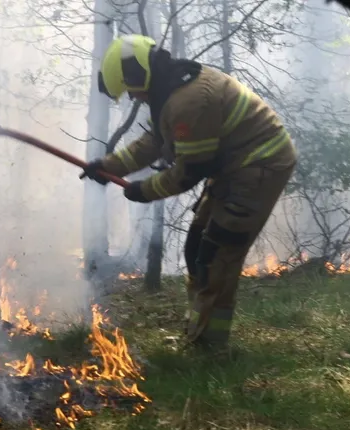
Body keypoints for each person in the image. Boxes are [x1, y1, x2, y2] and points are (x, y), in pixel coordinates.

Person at [81, 34, 297, 348]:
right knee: (196, 249)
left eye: (130, 89)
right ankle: (198, 333)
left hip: (260, 168)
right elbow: (155, 142)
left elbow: (187, 174)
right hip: (232, 167)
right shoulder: (171, 89)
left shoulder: (189, 101)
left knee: (216, 257)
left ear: (139, 75)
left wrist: (144, 190)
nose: (133, 97)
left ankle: (208, 349)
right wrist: (108, 166)